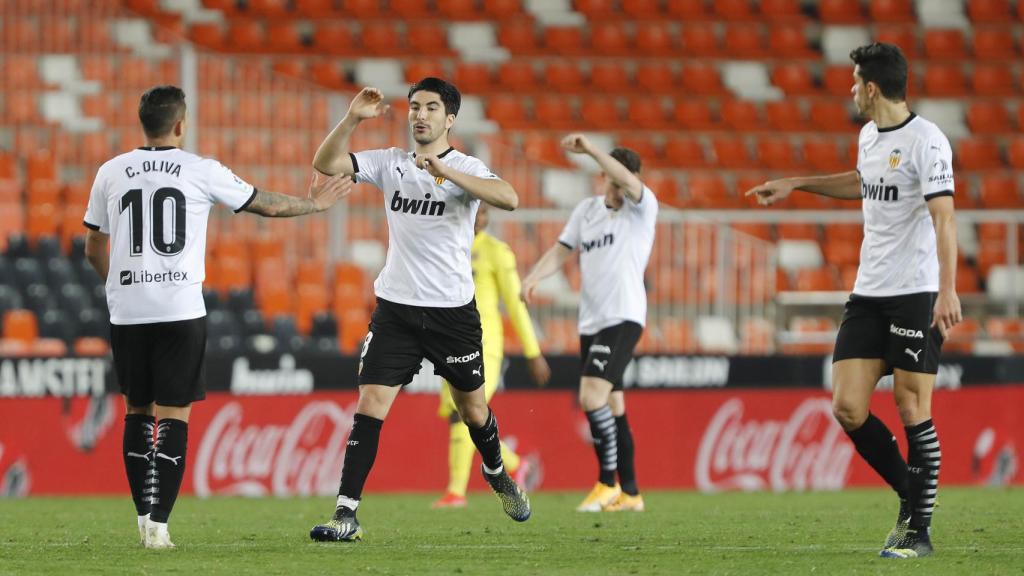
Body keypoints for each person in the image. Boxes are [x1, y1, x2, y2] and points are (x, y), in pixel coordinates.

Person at [84, 85, 351, 549]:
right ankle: (160, 526)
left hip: (127, 310)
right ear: (181, 124)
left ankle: (143, 517)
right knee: (174, 415)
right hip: (179, 309)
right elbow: (263, 203)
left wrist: (119, 286)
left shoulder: (110, 172)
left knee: (135, 412)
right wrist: (316, 204)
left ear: (142, 122)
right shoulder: (199, 169)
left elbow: (92, 246)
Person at [745, 42, 959, 559]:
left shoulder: (927, 141)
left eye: (853, 81)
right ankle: (912, 496)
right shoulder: (868, 137)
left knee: (911, 404)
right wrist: (797, 184)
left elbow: (944, 218)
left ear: (870, 87)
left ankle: (919, 531)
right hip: (868, 292)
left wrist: (947, 288)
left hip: (915, 292)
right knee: (846, 406)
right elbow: (864, 184)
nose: (849, 90)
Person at [308, 78, 531, 542]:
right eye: (414, 107)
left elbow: (509, 198)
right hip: (397, 311)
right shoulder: (391, 163)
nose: (420, 115)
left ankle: (496, 474)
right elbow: (325, 163)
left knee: (473, 411)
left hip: (452, 314)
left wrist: (448, 174)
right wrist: (351, 118)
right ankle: (345, 514)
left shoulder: (466, 167)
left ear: (449, 119)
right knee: (370, 405)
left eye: (431, 107)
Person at [521, 134, 657, 513]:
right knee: (613, 405)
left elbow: (631, 183)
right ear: (602, 178)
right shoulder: (587, 211)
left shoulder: (642, 210)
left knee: (590, 397)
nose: (616, 189)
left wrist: (592, 150)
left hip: (623, 317)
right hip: (591, 322)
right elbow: (561, 250)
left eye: (621, 181)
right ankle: (631, 494)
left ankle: (606, 483)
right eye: (610, 181)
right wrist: (534, 276)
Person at [432, 203, 551, 509]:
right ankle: (514, 465)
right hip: (449, 342)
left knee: (466, 412)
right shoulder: (445, 245)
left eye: (485, 213)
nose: (479, 219)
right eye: (476, 212)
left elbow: (515, 303)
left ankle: (456, 492)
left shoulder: (497, 251)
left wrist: (533, 352)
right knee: (463, 415)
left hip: (485, 343)